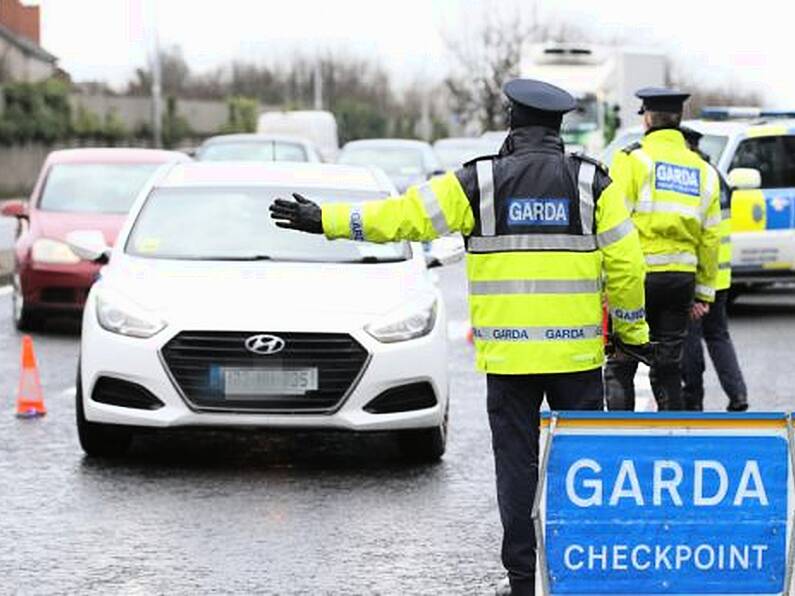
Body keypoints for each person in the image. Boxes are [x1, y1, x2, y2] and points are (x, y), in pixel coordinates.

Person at [270, 78, 650, 596]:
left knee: (517, 471)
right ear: (559, 127)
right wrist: (631, 333)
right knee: (583, 469)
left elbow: (402, 217)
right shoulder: (592, 184)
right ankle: (579, 575)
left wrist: (327, 220)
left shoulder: (481, 182)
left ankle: (522, 581)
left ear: (512, 123)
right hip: (576, 358)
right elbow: (627, 266)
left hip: (510, 359)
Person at [604, 88, 721, 412]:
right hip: (680, 280)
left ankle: (621, 444)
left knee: (621, 364)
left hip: (635, 280)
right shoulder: (703, 170)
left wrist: (604, 282)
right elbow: (711, 237)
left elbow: (612, 223)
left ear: (648, 119)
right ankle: (671, 444)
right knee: (669, 367)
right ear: (679, 120)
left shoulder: (632, 159)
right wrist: (704, 294)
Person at [680, 126, 749, 411]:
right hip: (720, 275)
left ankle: (693, 401)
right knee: (719, 335)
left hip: (699, 274)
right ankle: (738, 395)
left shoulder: (692, 178)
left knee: (690, 340)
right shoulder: (715, 176)